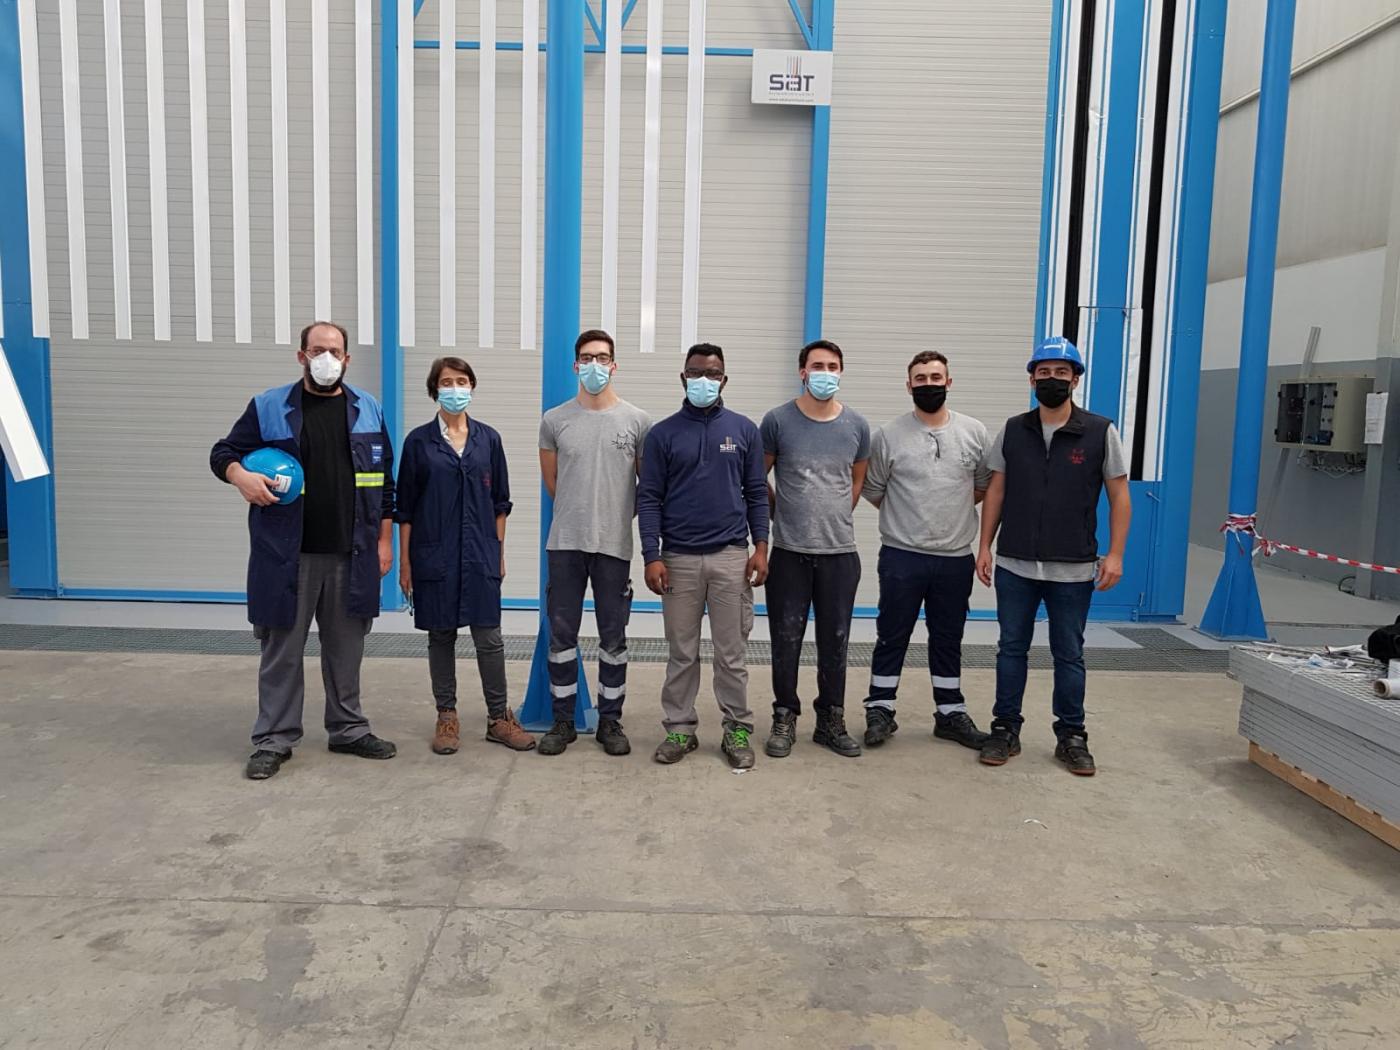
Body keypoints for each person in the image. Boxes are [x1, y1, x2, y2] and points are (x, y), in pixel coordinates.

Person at [211, 321, 398, 780]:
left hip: (351, 554)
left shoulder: (368, 408)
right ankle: (274, 739)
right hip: (287, 555)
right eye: (317, 350)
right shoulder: (269, 406)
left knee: (346, 650)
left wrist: (383, 541)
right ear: (301, 356)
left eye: (335, 351)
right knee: (282, 651)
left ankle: (348, 729)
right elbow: (223, 452)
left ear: (347, 359)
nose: (326, 358)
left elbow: (385, 483)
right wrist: (240, 476)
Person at [975, 337, 1132, 776]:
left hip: (1073, 567)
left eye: (1061, 372)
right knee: (1011, 649)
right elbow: (996, 491)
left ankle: (1072, 736)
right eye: (1043, 372)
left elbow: (1120, 496)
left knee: (1069, 654)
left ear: (1075, 379)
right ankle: (1005, 728)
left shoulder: (1100, 431)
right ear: (1031, 380)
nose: (1051, 379)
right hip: (1016, 565)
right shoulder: (1013, 430)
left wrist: (1116, 554)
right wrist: (985, 546)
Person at [638, 343, 770, 769]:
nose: (704, 381)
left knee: (732, 654)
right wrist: (651, 555)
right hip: (677, 560)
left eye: (712, 374)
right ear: (683, 378)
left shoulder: (745, 431)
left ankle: (736, 728)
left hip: (731, 557)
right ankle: (680, 727)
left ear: (724, 380)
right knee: (682, 652)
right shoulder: (662, 435)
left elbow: (757, 493)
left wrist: (761, 547)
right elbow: (649, 498)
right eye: (696, 373)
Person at [396, 357, 536, 755]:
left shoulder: (488, 440)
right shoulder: (418, 443)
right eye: (446, 381)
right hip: (434, 554)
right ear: (434, 389)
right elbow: (405, 508)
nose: (455, 388)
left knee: (489, 636)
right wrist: (405, 563)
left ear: (472, 386)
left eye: (461, 381)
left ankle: (499, 718)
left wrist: (498, 552)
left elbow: (500, 503)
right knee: (440, 635)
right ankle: (447, 716)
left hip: (480, 553)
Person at [860, 350, 992, 752]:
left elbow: (983, 486)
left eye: (936, 378)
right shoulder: (887, 435)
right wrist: (910, 517)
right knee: (892, 634)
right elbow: (874, 489)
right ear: (909, 385)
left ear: (949, 382)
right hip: (902, 556)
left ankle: (950, 713)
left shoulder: (974, 432)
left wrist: (948, 513)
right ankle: (880, 709)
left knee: (948, 637)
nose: (929, 385)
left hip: (954, 558)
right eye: (921, 379)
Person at [536, 330, 651, 757]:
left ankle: (610, 721)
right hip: (565, 543)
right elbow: (553, 482)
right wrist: (579, 511)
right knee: (561, 636)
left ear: (614, 365)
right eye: (587, 358)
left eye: (602, 358)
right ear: (575, 365)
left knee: (613, 638)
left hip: (614, 546)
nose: (595, 365)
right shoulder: (554, 420)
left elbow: (645, 486)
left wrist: (611, 516)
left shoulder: (637, 421)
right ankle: (563, 721)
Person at [760, 339, 869, 759]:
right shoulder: (777, 421)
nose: (825, 373)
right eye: (817, 366)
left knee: (835, 640)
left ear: (841, 372)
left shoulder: (857, 425)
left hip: (840, 554)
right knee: (786, 639)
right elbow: (757, 478)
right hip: (789, 552)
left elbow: (856, 481)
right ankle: (784, 715)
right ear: (802, 372)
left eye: (833, 366)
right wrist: (781, 511)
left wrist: (834, 514)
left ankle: (831, 720)